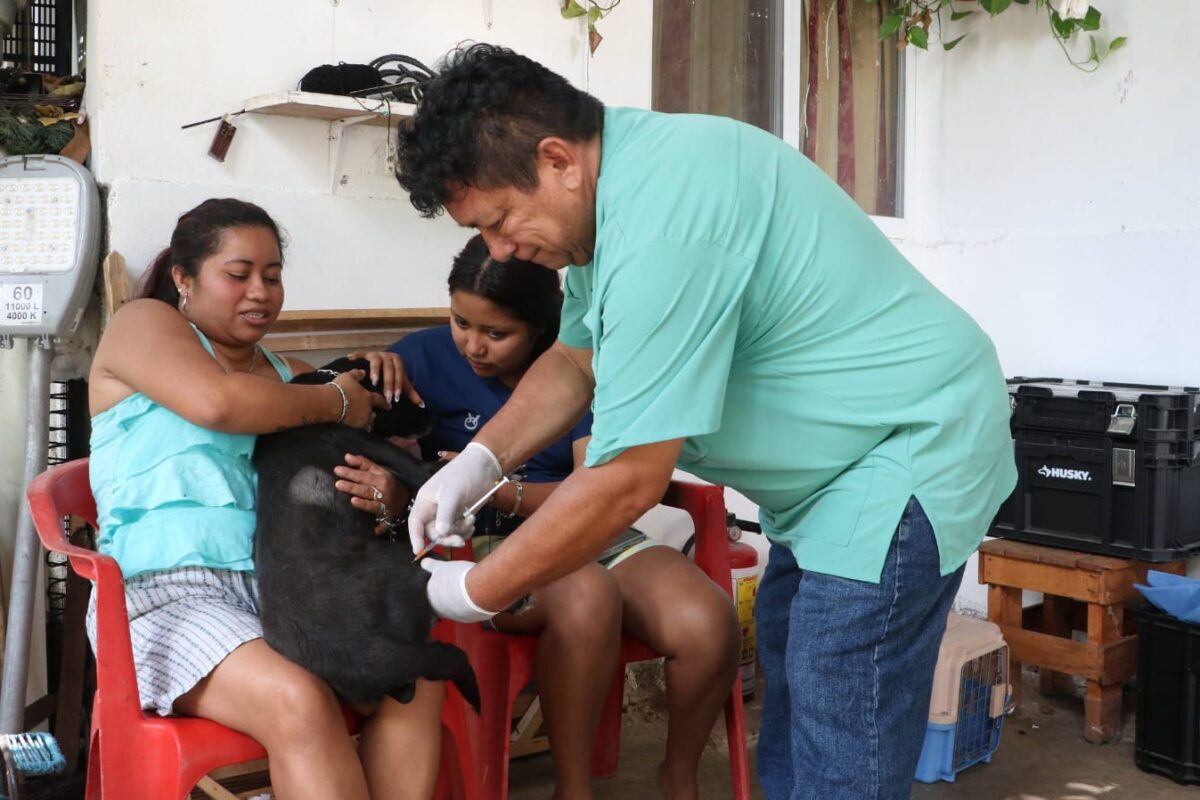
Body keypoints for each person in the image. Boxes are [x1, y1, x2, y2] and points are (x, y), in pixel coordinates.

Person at [394, 44, 1018, 800]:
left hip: (908, 445)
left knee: (840, 701)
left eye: (497, 221)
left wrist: (474, 590)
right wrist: (480, 461)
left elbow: (626, 481)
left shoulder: (664, 227)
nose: (499, 250)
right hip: (836, 472)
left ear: (557, 159)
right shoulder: (617, 192)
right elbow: (572, 360)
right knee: (799, 677)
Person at [343, 234, 738, 800]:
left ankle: (679, 777)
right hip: (473, 547)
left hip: (585, 523)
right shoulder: (424, 357)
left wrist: (502, 493)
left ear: (540, 329)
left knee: (708, 624)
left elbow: (591, 491)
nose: (472, 346)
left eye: (496, 334)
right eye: (461, 322)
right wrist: (367, 369)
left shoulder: (578, 372)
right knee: (587, 594)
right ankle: (572, 789)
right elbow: (352, 420)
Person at [87, 198, 443, 800]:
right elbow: (219, 404)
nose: (260, 291)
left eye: (273, 276)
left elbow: (363, 463)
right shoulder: (142, 325)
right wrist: (334, 399)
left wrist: (384, 482)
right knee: (297, 702)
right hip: (163, 598)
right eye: (238, 273)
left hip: (286, 594)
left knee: (411, 676)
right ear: (183, 277)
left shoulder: (291, 374)